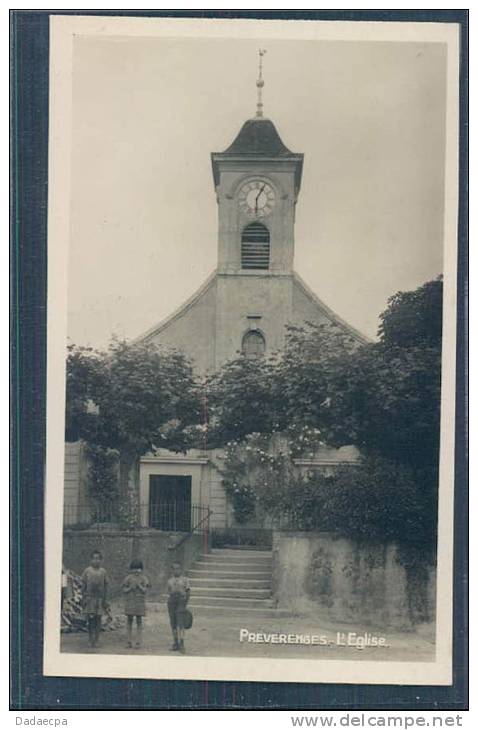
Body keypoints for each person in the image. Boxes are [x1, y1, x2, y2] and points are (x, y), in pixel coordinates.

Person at [81, 550, 109, 649]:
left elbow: (106, 586)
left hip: (99, 599)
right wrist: (83, 598)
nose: (96, 561)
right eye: (94, 558)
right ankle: (90, 639)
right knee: (91, 620)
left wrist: (105, 600)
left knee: (98, 620)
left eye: (98, 559)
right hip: (90, 599)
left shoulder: (103, 572)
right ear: (90, 560)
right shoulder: (87, 571)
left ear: (101, 560)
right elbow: (83, 585)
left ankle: (97, 640)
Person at [121, 559, 150, 648]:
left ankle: (138, 642)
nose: (136, 571)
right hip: (130, 602)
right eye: (134, 569)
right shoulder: (128, 578)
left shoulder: (144, 578)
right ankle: (128, 641)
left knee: (139, 621)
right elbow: (123, 590)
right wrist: (130, 588)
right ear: (131, 569)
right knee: (129, 621)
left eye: (138, 569)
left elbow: (145, 590)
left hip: (139, 603)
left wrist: (139, 586)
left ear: (141, 569)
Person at [166, 561, 190, 654]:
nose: (176, 571)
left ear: (181, 570)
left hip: (181, 602)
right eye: (174, 569)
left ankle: (182, 643)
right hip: (172, 602)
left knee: (181, 623)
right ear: (172, 570)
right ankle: (175, 642)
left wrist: (185, 603)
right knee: (173, 623)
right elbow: (169, 592)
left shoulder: (185, 580)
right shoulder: (169, 581)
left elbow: (188, 592)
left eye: (178, 568)